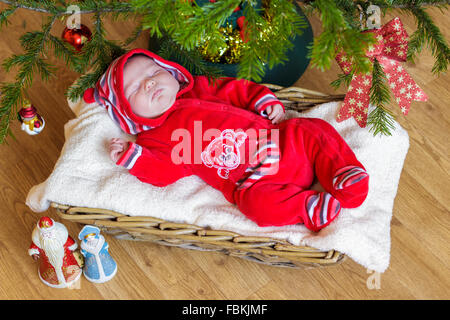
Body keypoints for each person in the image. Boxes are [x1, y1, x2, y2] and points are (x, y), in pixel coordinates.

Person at [83, 48, 369, 232]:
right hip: (254, 182)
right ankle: (306, 207)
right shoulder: (156, 139)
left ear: (171, 73)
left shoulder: (200, 89)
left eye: (155, 72)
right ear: (128, 114)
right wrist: (133, 157)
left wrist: (262, 100)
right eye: (135, 89)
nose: (150, 83)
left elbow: (235, 91)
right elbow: (163, 173)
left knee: (312, 129)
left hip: (280, 141)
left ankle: (342, 173)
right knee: (256, 207)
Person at [28, 216, 82, 288]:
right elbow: (34, 247)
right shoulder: (38, 241)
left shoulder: (62, 237)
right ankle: (54, 280)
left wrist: (73, 247)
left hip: (68, 262)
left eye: (49, 233)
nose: (47, 236)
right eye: (45, 234)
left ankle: (71, 276)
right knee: (50, 271)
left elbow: (71, 243)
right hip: (48, 266)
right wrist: (34, 253)